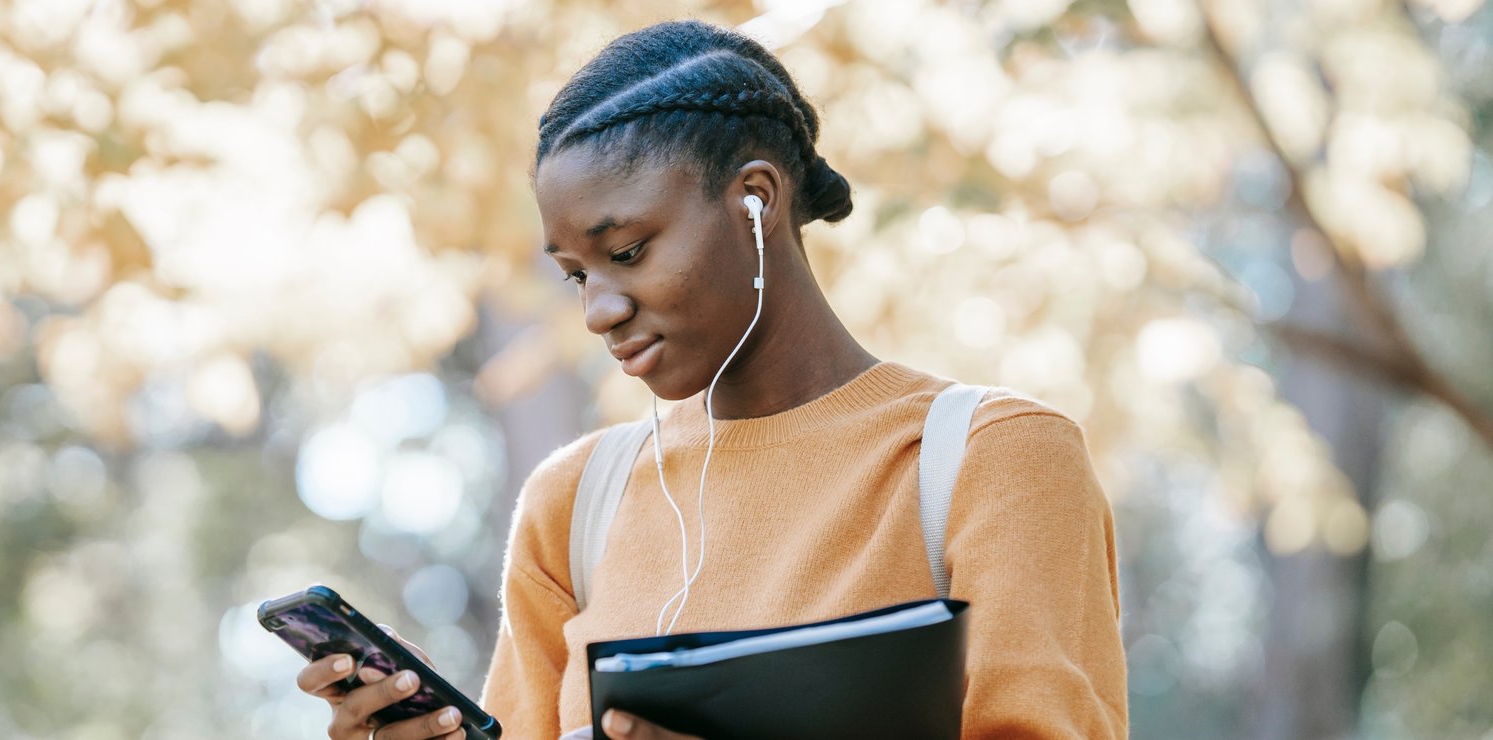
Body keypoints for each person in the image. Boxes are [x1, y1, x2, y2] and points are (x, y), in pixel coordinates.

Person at [296, 19, 1129, 740]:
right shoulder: (576, 505)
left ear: (756, 200)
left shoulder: (993, 461)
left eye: (626, 253)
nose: (600, 311)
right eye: (578, 275)